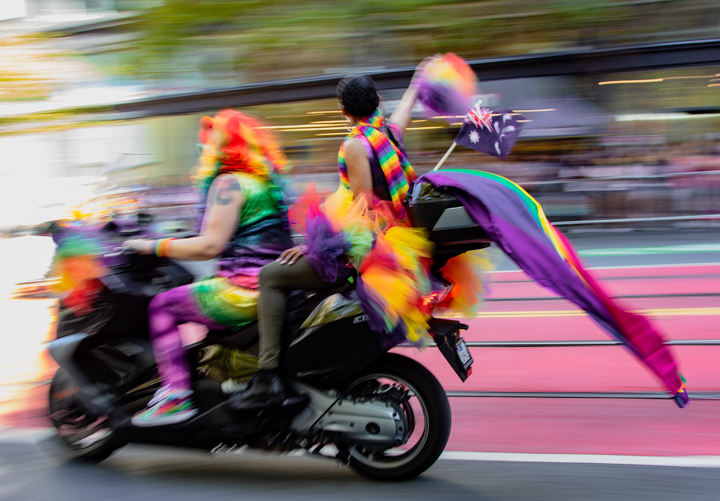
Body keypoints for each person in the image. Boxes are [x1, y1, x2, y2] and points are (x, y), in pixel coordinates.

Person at [230, 69, 428, 410]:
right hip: (397, 244)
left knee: (271, 276)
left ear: (343, 111)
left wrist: (315, 246)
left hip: (365, 250)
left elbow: (364, 207)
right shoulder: (389, 135)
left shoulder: (356, 144)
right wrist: (417, 83)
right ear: (377, 102)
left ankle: (267, 377)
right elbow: (404, 112)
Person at [125, 109, 293, 426]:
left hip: (242, 291)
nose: (205, 146)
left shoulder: (228, 184)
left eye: (211, 139)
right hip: (274, 290)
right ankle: (234, 378)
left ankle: (176, 397)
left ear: (223, 144)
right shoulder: (264, 185)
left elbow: (209, 245)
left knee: (162, 305)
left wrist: (153, 245)